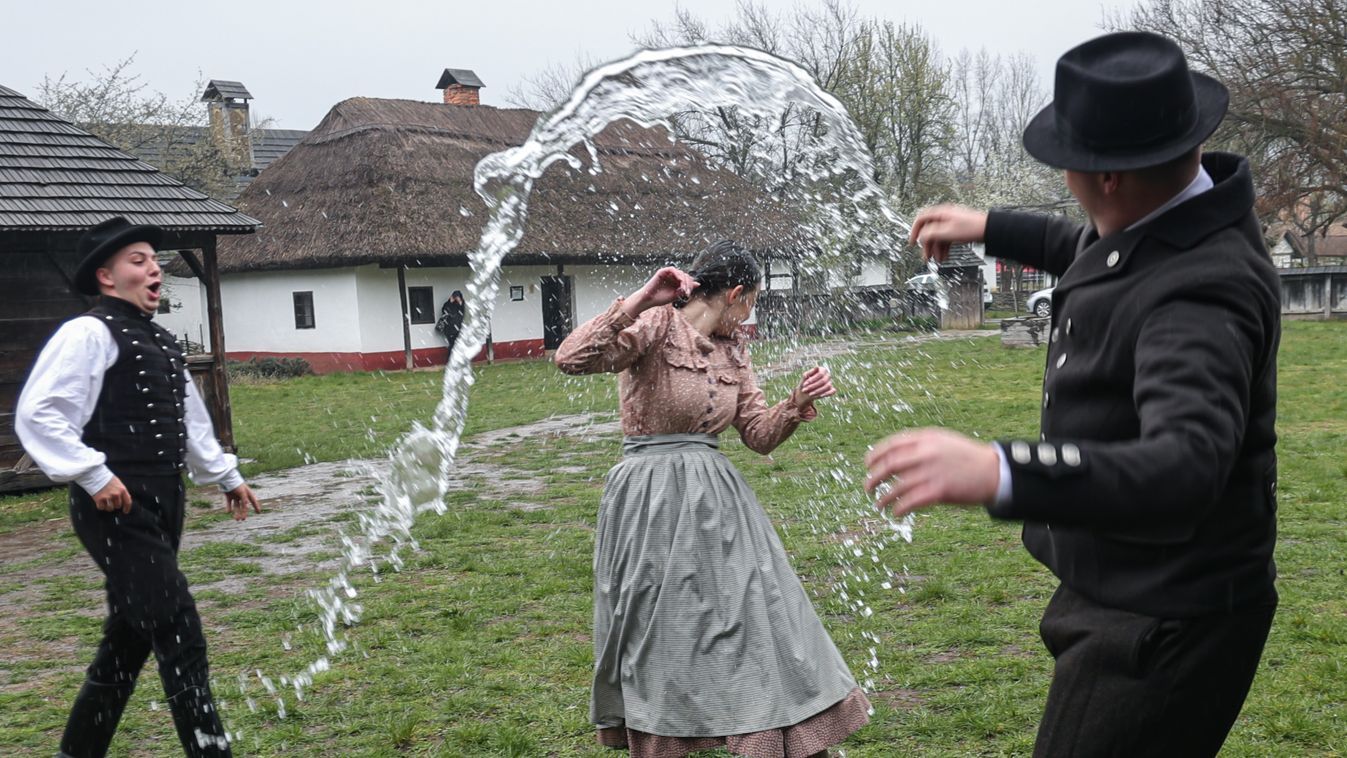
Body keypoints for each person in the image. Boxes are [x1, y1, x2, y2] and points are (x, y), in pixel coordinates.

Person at [864, 31, 1281, 756]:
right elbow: (1088, 247)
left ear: (1108, 177)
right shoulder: (1175, 216)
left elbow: (1182, 471)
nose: (1066, 181)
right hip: (1129, 586)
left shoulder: (1199, 291)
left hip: (1163, 621)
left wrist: (999, 471)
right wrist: (990, 227)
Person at [556, 240, 870, 757]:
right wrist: (641, 298)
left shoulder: (734, 352)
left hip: (720, 506)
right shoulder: (656, 326)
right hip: (649, 500)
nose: (750, 317)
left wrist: (797, 402)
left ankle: (775, 739)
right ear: (737, 294)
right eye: (751, 304)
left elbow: (758, 435)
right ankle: (666, 741)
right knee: (662, 631)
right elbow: (571, 358)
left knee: (758, 617)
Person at [16, 217, 262, 758]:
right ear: (106, 277)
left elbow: (192, 420)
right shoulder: (88, 333)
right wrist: (93, 472)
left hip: (162, 500)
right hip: (114, 507)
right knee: (179, 629)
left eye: (153, 259)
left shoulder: (161, 341)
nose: (154, 268)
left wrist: (226, 475)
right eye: (138, 260)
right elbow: (39, 413)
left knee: (126, 643)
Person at [436, 290, 466, 354]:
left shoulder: (462, 304)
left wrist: (460, 302)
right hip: (449, 328)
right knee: (452, 344)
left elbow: (463, 311)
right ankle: (451, 359)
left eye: (457, 297)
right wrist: (450, 302)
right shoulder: (448, 304)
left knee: (457, 344)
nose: (456, 298)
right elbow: (444, 311)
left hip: (459, 327)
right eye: (455, 297)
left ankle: (455, 359)